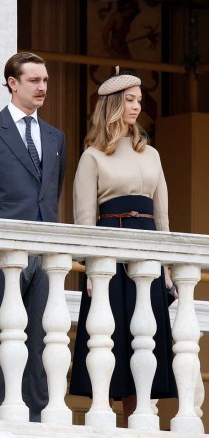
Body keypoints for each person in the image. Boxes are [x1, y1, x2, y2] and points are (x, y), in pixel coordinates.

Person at [0, 52, 66, 421]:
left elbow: (52, 193)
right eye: (34, 80)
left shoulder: (55, 137)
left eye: (46, 81)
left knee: (39, 343)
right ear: (12, 82)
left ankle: (35, 423)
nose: (42, 88)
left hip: (42, 256)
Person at [69, 69, 176, 425]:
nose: (136, 106)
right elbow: (84, 221)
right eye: (129, 100)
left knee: (144, 340)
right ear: (113, 105)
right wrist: (90, 269)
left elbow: (162, 218)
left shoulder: (153, 154)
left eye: (139, 100)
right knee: (111, 340)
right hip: (110, 257)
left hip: (146, 253)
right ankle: (108, 422)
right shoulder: (92, 156)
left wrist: (167, 268)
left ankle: (139, 420)